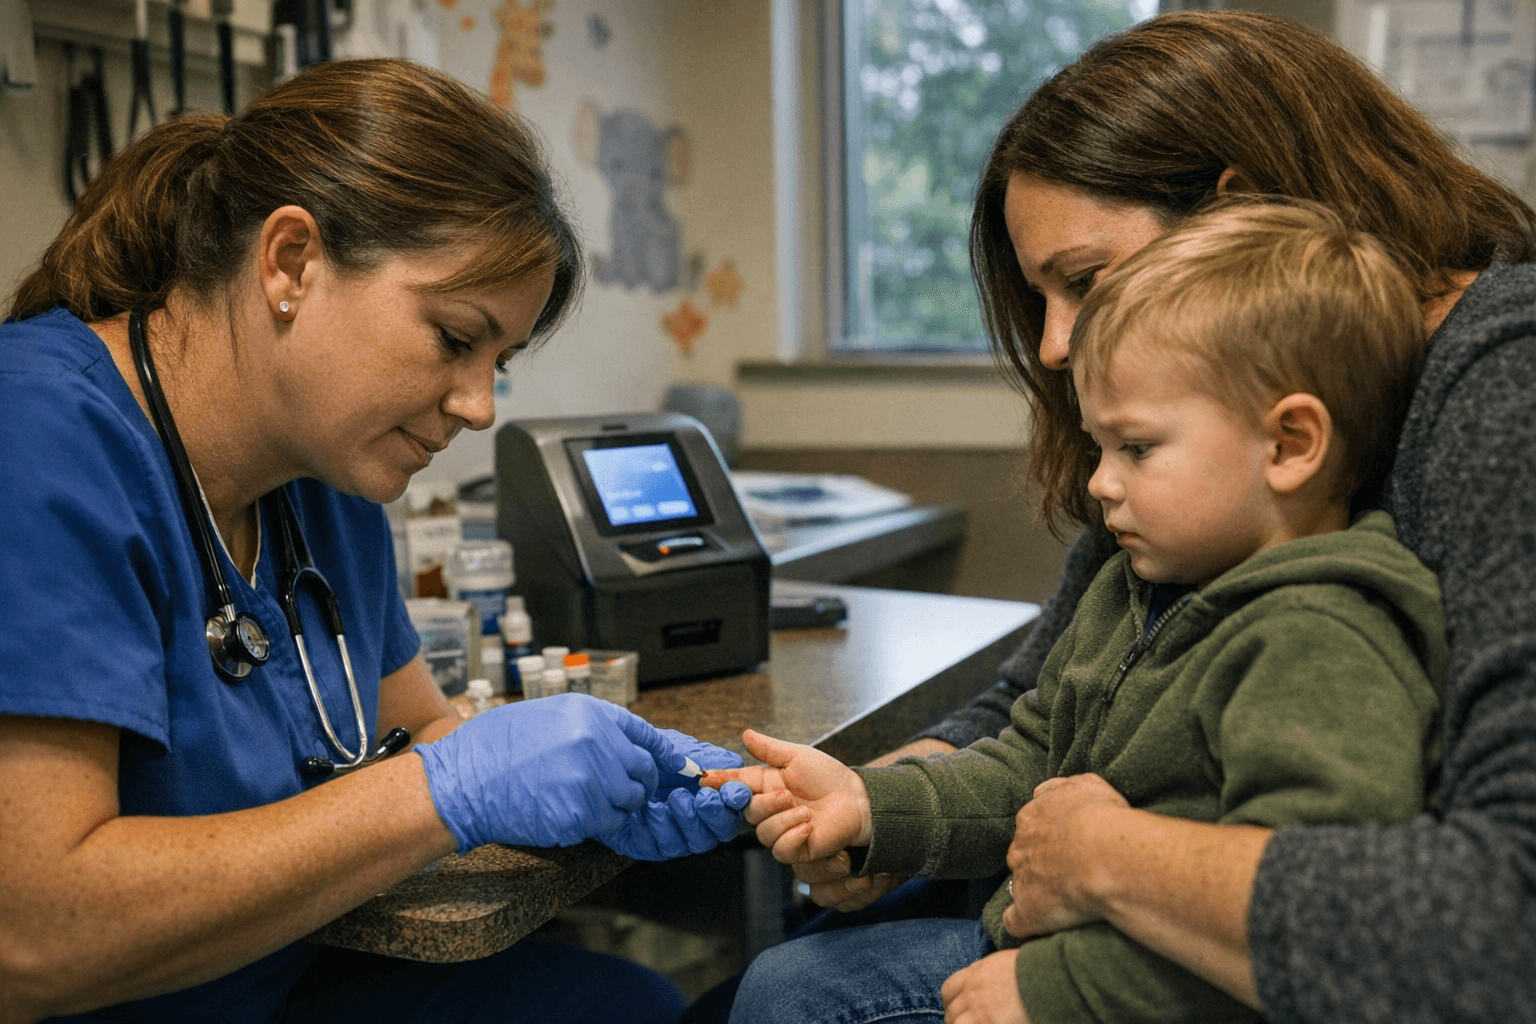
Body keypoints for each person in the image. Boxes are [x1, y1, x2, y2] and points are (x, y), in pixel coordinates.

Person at [783, 10, 1536, 1023]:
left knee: (800, 989)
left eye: (1083, 281)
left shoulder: (1497, 392)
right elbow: (1033, 715)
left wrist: (1105, 860)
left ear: (1236, 217)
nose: (1051, 346)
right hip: (1112, 926)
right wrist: (877, 807)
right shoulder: (1182, 444)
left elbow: (1501, 920)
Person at [0, 59, 750, 1024]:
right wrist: (449, 791)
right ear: (290, 263)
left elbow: (423, 728)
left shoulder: (324, 477)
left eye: (499, 364)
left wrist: (603, 778)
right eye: (452, 338)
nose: (479, 407)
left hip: (273, 983)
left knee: (629, 1004)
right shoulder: (40, 439)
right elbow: (32, 931)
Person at [721, 198, 1446, 1024]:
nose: (1100, 483)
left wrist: (1054, 992)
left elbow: (1292, 930)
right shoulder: (1138, 586)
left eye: (1135, 448)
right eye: (1099, 446)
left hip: (1139, 989)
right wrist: (870, 805)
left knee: (799, 1001)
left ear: (1289, 445)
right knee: (788, 980)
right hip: (1055, 950)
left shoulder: (1322, 638)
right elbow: (1032, 761)